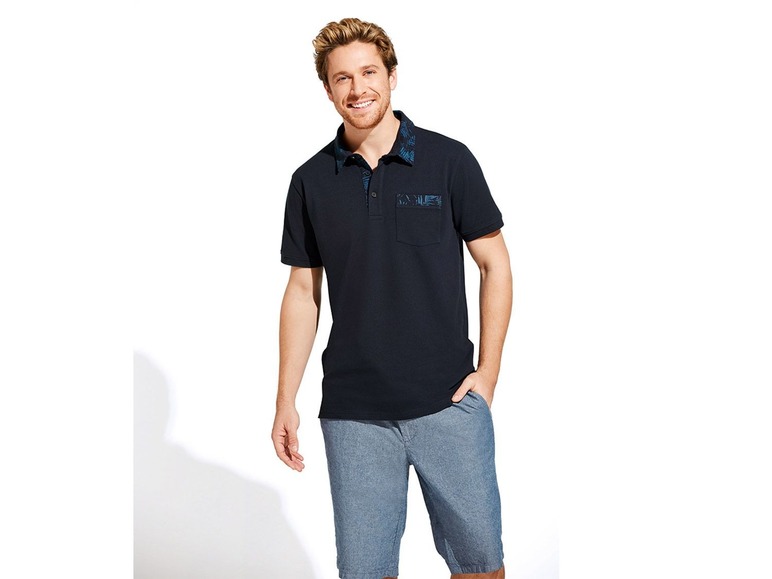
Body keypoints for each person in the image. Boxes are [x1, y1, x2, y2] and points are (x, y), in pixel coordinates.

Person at [271, 17, 512, 579]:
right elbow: (303, 292)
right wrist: (285, 398)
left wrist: (489, 374)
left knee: (481, 567)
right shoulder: (310, 180)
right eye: (342, 78)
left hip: (449, 402)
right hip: (354, 414)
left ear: (392, 75)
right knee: (365, 572)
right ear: (327, 89)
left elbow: (494, 264)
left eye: (369, 73)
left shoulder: (448, 160)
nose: (358, 89)